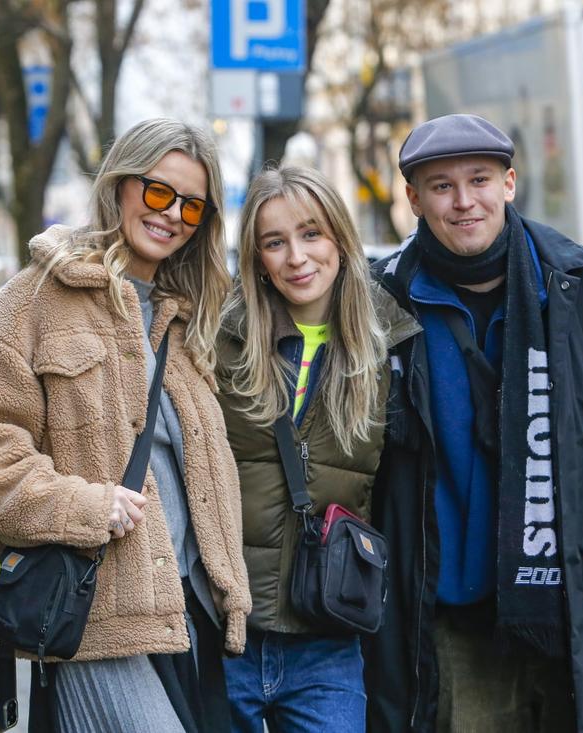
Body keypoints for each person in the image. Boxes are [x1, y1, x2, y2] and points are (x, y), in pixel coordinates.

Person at [364, 113, 583, 732]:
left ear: (510, 184)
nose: (464, 201)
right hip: (454, 625)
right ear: (413, 198)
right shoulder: (379, 304)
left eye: (480, 179)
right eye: (441, 186)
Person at [0, 118, 251, 732]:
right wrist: (81, 506)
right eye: (159, 192)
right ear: (121, 186)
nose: (171, 215)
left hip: (191, 615)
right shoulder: (37, 298)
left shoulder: (185, 319)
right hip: (97, 611)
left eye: (192, 206)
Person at [214, 166, 416, 732]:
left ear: (340, 241)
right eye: (274, 242)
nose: (296, 257)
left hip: (328, 636)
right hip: (227, 632)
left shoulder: (388, 346)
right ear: (256, 257)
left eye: (311, 234)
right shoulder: (218, 339)